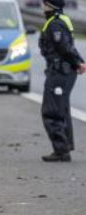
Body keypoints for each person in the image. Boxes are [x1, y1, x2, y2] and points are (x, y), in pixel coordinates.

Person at [39, 0, 86, 162]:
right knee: (61, 109)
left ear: (49, 6)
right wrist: (78, 62)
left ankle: (61, 151)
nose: (42, 6)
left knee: (51, 111)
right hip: (63, 71)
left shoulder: (55, 24)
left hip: (59, 72)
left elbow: (64, 47)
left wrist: (77, 62)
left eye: (44, 3)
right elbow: (69, 45)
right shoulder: (61, 20)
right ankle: (64, 148)